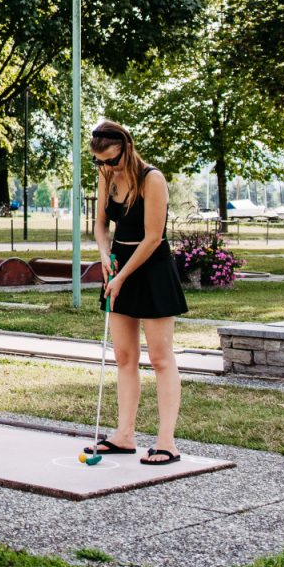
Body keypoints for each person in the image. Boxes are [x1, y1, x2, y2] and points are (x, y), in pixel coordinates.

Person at [82, 120, 188, 465]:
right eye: (99, 163)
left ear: (126, 147)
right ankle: (124, 436)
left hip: (151, 267)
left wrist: (123, 276)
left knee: (160, 357)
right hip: (119, 264)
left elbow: (153, 237)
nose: (106, 168)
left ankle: (166, 442)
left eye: (111, 160)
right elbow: (100, 224)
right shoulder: (107, 176)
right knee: (124, 357)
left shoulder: (152, 179)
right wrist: (103, 255)